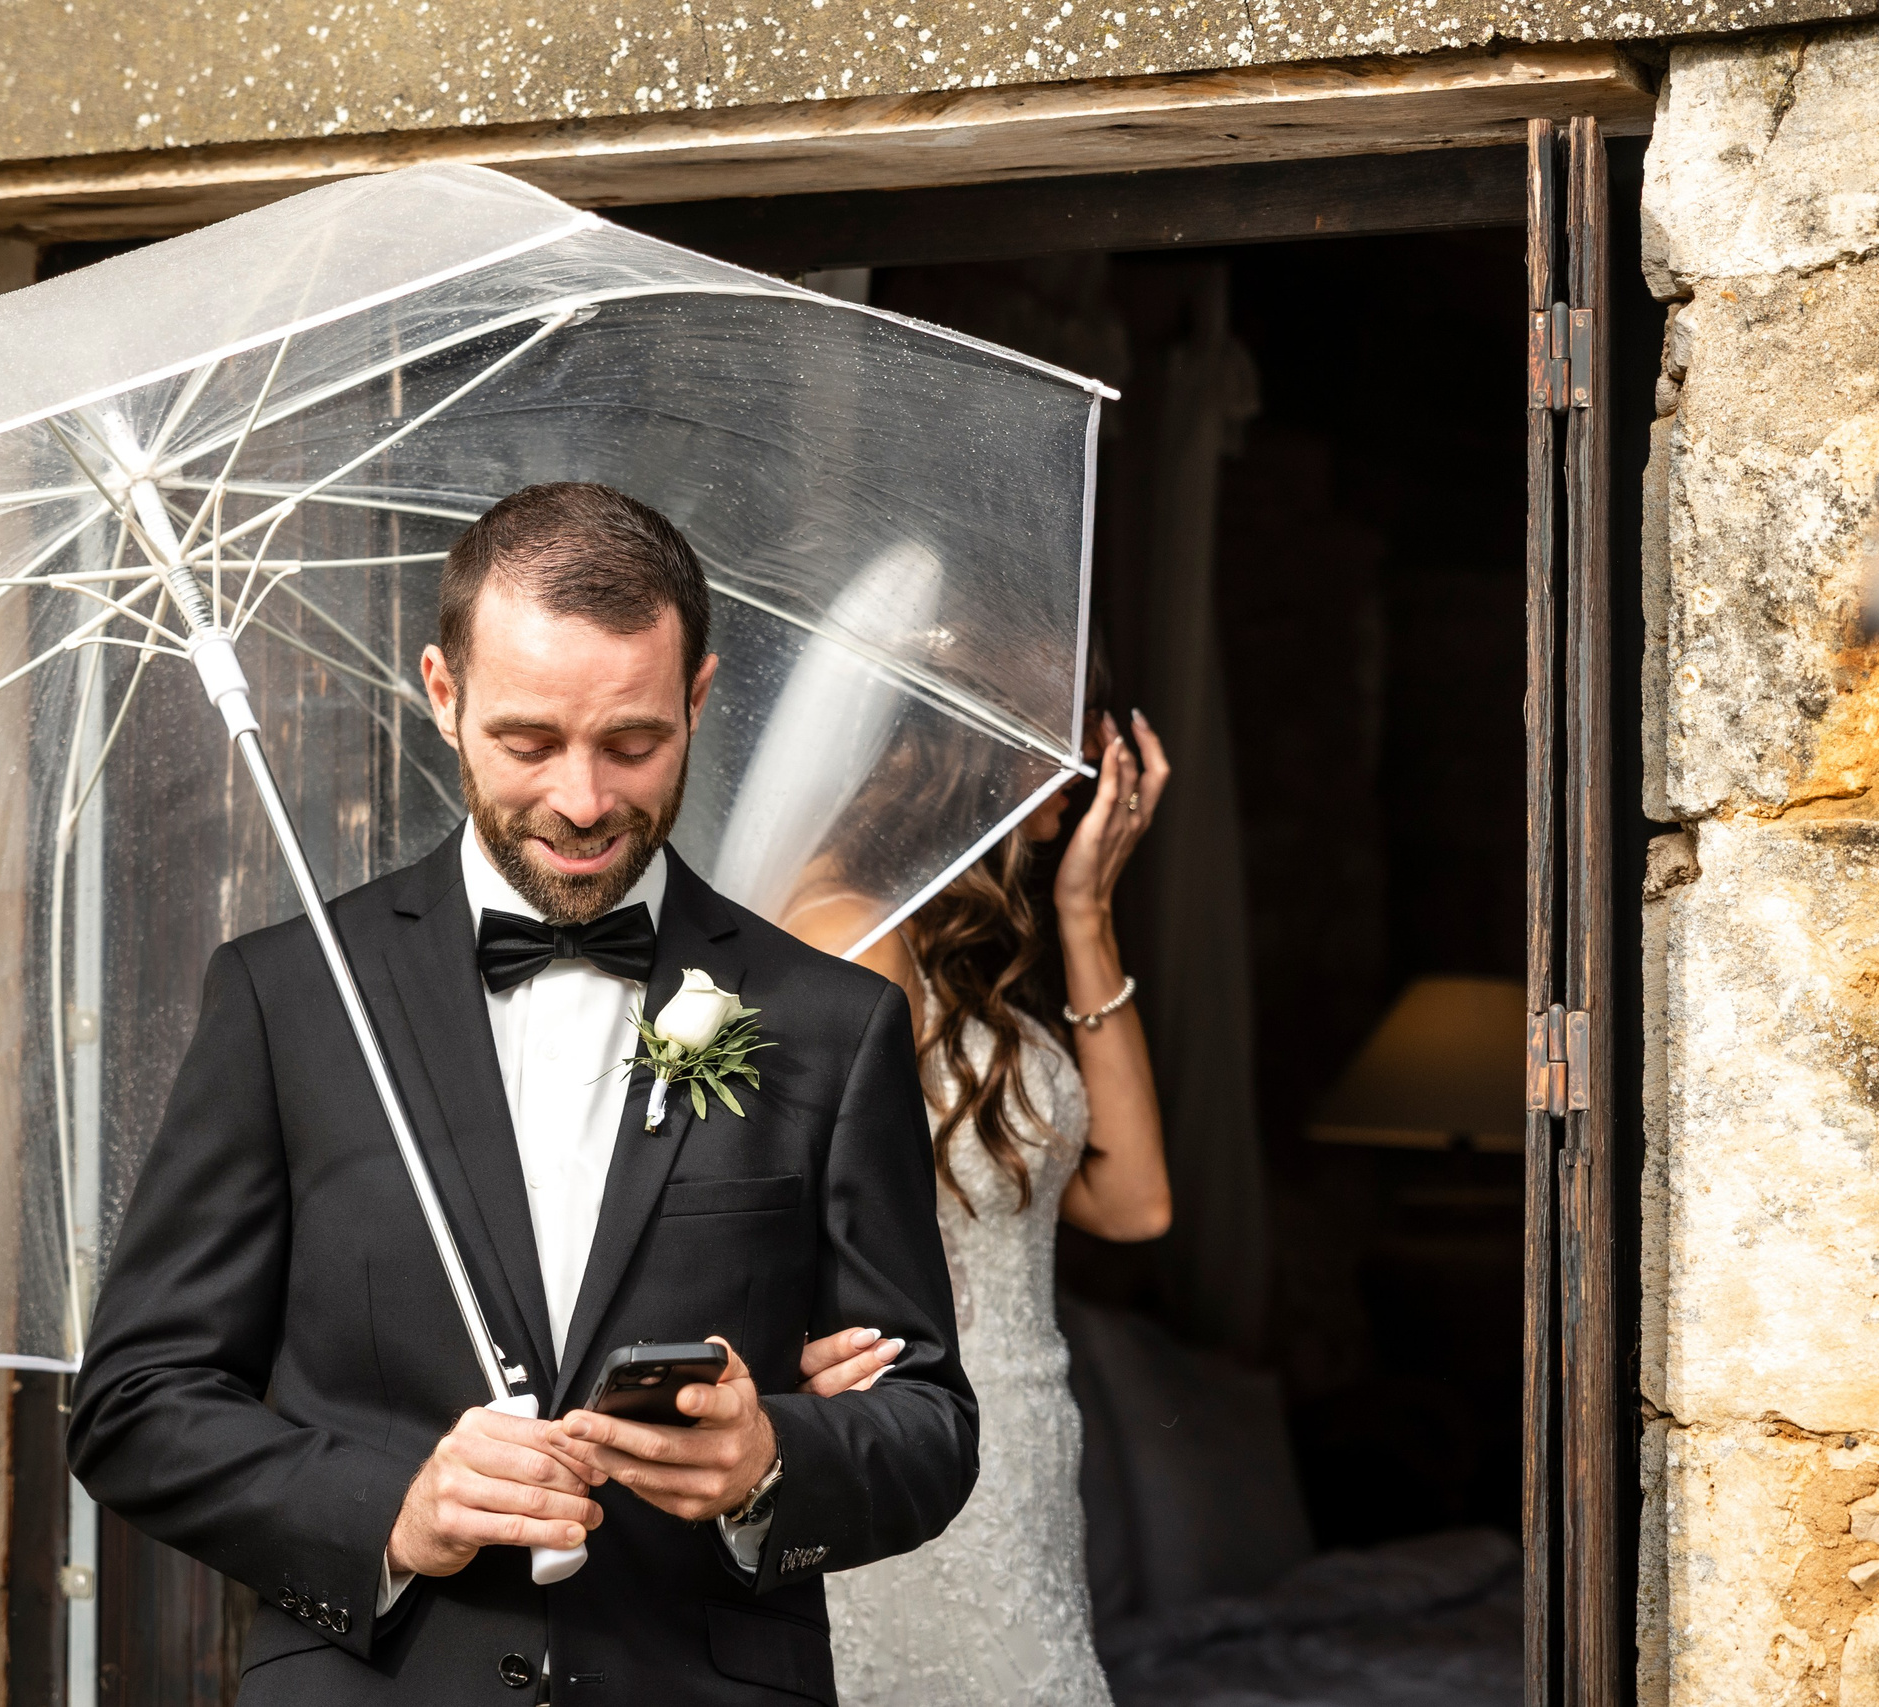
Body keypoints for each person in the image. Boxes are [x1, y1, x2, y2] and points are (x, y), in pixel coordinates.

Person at [68, 482, 977, 1706]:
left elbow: (928, 1427)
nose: (585, 801)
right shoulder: (288, 998)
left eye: (634, 742)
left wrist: (771, 1461)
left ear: (698, 697)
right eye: (529, 742)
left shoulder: (834, 1022)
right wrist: (395, 1511)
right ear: (443, 695)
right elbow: (134, 1405)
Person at [787, 712, 1174, 1707]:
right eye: (1071, 737)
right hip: (918, 1448)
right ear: (979, 739)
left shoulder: (945, 944)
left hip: (1023, 1456)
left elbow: (1131, 1203)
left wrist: (1087, 914)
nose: (1091, 769)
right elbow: (786, 1225)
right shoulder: (852, 937)